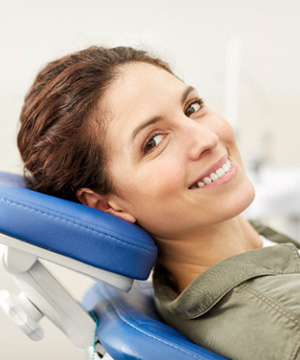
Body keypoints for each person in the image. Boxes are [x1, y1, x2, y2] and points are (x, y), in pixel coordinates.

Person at [17, 46, 300, 360]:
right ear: (106, 205)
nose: (206, 138)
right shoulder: (286, 323)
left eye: (192, 107)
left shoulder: (181, 286)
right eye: (153, 142)